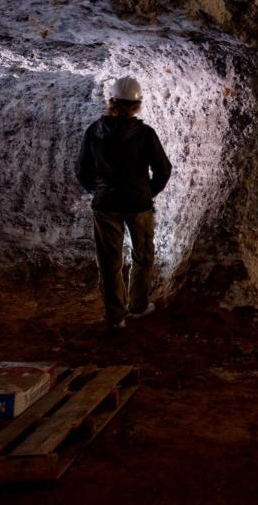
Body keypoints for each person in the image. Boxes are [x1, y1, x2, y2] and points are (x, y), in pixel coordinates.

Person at [76, 76, 172, 329]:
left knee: (109, 262)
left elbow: (82, 170)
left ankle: (116, 316)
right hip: (138, 204)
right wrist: (148, 192)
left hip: (105, 204)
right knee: (143, 257)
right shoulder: (145, 134)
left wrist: (97, 191)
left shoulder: (94, 131)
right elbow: (163, 169)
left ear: (111, 101)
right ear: (136, 105)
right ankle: (138, 307)